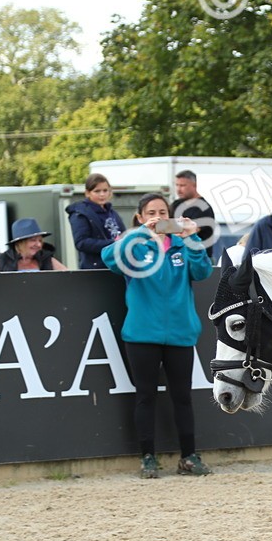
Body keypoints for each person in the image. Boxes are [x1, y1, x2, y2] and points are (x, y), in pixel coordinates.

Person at [102, 193, 214, 478]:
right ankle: (148, 458)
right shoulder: (135, 246)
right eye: (151, 213)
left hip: (180, 333)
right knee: (145, 396)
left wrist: (191, 237)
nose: (157, 217)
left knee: (183, 397)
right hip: (142, 334)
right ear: (140, 217)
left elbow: (202, 271)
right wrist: (140, 233)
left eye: (163, 212)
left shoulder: (181, 244)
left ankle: (188, 457)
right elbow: (108, 258)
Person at [67, 173, 126, 269]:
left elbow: (123, 235)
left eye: (105, 190)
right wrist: (112, 244)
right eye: (97, 191)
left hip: (116, 265)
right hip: (95, 269)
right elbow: (81, 243)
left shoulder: (112, 213)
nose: (102, 194)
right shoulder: (80, 213)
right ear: (87, 193)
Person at [0, 218, 68, 272]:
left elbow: (68, 276)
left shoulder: (46, 259)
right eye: (33, 240)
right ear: (20, 243)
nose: (38, 244)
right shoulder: (2, 259)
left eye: (40, 240)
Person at [171, 170, 217, 260]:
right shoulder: (176, 205)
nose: (178, 189)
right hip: (179, 258)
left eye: (183, 185)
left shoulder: (204, 208)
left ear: (194, 185)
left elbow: (190, 231)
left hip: (199, 259)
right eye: (177, 185)